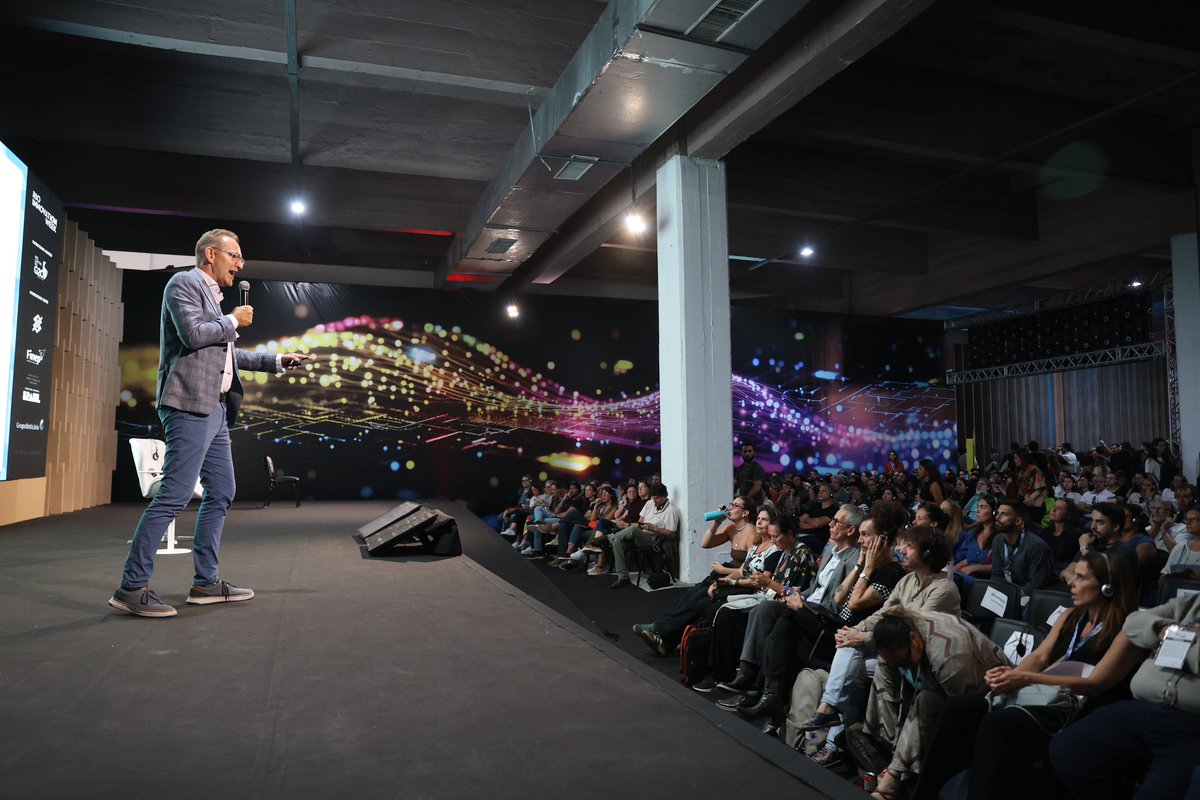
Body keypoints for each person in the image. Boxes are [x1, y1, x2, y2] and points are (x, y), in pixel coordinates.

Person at [109, 229, 311, 618]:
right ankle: (132, 586)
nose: (240, 265)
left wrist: (276, 361)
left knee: (221, 491)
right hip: (187, 405)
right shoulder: (183, 283)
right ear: (211, 254)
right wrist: (233, 319)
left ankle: (206, 583)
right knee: (175, 494)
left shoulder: (216, 302)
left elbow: (228, 356)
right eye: (235, 257)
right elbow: (194, 335)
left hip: (215, 410)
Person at [914, 551, 1142, 800]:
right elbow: (1040, 658)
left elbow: (1096, 684)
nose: (1071, 582)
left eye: (1081, 578)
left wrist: (1027, 679)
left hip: (1081, 708)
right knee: (958, 709)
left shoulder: (1128, 629)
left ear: (1108, 587)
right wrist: (1008, 675)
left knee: (999, 723)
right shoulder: (1071, 616)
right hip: (1046, 693)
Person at [1050, 591, 1200, 800]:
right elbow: (1133, 623)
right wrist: (1166, 631)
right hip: (1142, 706)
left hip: (1190, 724)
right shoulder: (1191, 603)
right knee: (1068, 748)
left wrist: (1168, 640)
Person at [862, 608, 1006, 800]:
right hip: (934, 681)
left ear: (914, 638)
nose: (902, 666)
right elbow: (895, 689)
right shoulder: (896, 642)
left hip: (986, 693)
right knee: (883, 673)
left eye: (905, 661)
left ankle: (895, 780)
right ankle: (892, 760)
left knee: (926, 700)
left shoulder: (950, 655)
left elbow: (962, 714)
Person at [634, 502, 771, 658]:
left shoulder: (753, 534)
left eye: (734, 506)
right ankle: (666, 638)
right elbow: (705, 544)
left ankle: (661, 631)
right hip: (725, 571)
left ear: (745, 512)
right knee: (690, 594)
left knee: (698, 599)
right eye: (731, 505)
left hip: (732, 574)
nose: (730, 508)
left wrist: (724, 571)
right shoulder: (731, 529)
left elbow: (748, 570)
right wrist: (717, 522)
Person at [609, 482, 681, 588]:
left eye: (656, 499)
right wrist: (643, 525)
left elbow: (672, 535)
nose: (654, 501)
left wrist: (654, 528)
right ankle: (622, 577)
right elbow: (640, 521)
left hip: (655, 540)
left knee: (633, 531)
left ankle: (611, 537)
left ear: (665, 496)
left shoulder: (672, 511)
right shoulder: (649, 503)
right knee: (617, 542)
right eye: (653, 498)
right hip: (642, 534)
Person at [990, 500, 1056, 597]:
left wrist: (1012, 597)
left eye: (1004, 514)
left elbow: (1036, 584)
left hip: (1032, 596)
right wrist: (997, 594)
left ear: (1018, 521)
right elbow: (996, 574)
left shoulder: (1037, 546)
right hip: (1008, 591)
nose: (997, 517)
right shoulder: (998, 540)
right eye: (997, 513)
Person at [735, 441, 768, 505]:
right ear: (741, 453)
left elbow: (756, 488)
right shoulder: (739, 468)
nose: (747, 454)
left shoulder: (758, 468)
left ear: (754, 453)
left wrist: (744, 501)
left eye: (749, 451)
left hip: (755, 504)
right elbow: (736, 483)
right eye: (745, 451)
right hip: (743, 503)